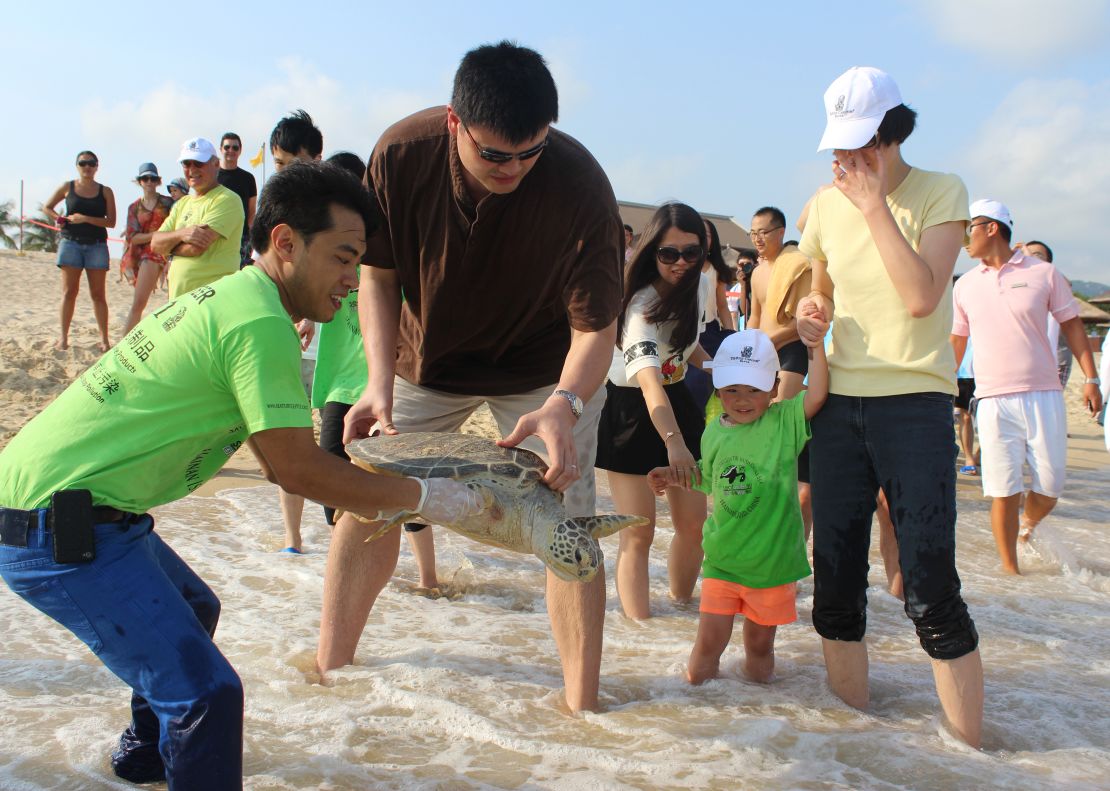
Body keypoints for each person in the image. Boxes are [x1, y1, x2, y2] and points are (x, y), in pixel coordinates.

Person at [0, 162, 485, 786]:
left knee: (196, 607)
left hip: (76, 509)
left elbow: (284, 457)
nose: (352, 279)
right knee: (209, 697)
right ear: (284, 243)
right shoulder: (258, 320)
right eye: (342, 257)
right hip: (54, 528)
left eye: (358, 261)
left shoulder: (239, 296)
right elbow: (296, 469)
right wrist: (432, 497)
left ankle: (143, 760)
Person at [319, 42, 624, 712]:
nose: (513, 168)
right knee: (370, 499)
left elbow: (597, 329)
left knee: (568, 520)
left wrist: (566, 405)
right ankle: (329, 670)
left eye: (530, 152)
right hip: (428, 359)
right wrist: (378, 381)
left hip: (547, 374)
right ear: (455, 123)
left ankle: (583, 707)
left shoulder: (580, 186)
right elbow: (379, 273)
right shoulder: (401, 153)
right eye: (493, 154)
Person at [795, 66, 984, 747]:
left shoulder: (942, 192)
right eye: (841, 148)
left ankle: (974, 758)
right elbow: (820, 291)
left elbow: (920, 297)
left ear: (894, 131)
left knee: (929, 584)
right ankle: (855, 754)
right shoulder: (823, 203)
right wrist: (811, 313)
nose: (849, 160)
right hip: (840, 405)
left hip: (916, 402)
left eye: (862, 145)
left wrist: (874, 206)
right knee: (835, 587)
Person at [650, 326, 828, 683]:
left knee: (760, 647)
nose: (742, 399)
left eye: (754, 390)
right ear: (718, 389)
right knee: (708, 643)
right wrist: (673, 476)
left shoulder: (784, 422)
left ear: (774, 388)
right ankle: (694, 702)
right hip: (723, 559)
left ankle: (754, 708)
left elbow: (819, 393)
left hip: (772, 563)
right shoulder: (714, 429)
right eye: (732, 389)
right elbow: (709, 477)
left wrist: (816, 347)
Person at [951, 199, 1102, 573]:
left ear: (992, 228)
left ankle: (1029, 525)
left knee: (1050, 486)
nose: (963, 238)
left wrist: (1092, 378)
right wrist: (942, 388)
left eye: (969, 227)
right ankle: (1011, 571)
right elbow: (957, 339)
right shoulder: (965, 285)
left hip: (1043, 393)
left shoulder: (1044, 274)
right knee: (1003, 490)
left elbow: (1071, 325)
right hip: (991, 398)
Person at [596, 202, 709, 619]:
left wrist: (727, 372)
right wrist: (675, 445)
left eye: (690, 252)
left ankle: (681, 609)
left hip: (676, 398)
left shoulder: (695, 288)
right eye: (668, 253)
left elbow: (687, 346)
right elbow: (647, 383)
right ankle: (639, 627)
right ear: (651, 252)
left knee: (695, 524)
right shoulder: (641, 307)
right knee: (639, 532)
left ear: (704, 250)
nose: (680, 262)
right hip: (632, 409)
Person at [748, 206, 815, 540]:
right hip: (763, 352)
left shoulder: (798, 264)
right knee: (756, 422)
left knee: (779, 426)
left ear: (780, 231)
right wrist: (746, 348)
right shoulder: (757, 273)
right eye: (753, 233)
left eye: (764, 232)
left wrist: (766, 342)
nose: (758, 239)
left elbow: (801, 321)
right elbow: (754, 318)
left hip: (791, 349)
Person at [41, 150, 116, 351]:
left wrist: (86, 218)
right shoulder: (68, 187)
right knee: (69, 293)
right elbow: (47, 207)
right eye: (83, 164)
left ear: (97, 166)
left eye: (91, 163)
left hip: (97, 245)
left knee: (98, 294)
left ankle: (104, 339)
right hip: (71, 242)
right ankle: (63, 338)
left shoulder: (105, 191)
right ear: (77, 166)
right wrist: (58, 218)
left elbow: (112, 221)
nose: (87, 167)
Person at [151, 137, 244, 298]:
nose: (192, 169)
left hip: (211, 301)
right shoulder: (182, 203)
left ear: (216, 164)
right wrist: (182, 234)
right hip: (180, 302)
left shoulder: (227, 199)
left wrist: (169, 250)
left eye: (199, 163)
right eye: (186, 163)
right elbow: (155, 243)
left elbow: (196, 248)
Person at [684, 218, 737, 412]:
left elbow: (722, 305)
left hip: (710, 333)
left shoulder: (717, 269)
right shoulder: (682, 265)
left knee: (702, 381)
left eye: (706, 235)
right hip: (685, 330)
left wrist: (731, 335)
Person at [121, 163, 174, 334]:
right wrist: (158, 235)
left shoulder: (168, 202)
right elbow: (133, 238)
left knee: (173, 303)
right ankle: (123, 345)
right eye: (145, 178)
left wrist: (163, 237)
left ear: (158, 181)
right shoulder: (134, 207)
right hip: (146, 254)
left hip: (169, 253)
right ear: (140, 181)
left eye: (152, 178)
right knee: (139, 303)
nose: (149, 182)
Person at [1020, 240, 1075, 389]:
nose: (1030, 257)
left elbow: (1066, 284)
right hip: (1028, 360)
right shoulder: (1020, 285)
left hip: (1057, 359)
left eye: (1037, 255)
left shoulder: (1054, 279)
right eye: (1027, 254)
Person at [216, 132, 258, 269]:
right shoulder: (211, 177)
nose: (231, 151)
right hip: (216, 236)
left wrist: (254, 239)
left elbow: (252, 212)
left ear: (240, 150)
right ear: (221, 149)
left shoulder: (248, 178)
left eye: (235, 148)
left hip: (242, 238)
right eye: (227, 147)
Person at [954, 331, 979, 475]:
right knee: (965, 416)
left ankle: (980, 453)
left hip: (987, 370)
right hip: (964, 371)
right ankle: (969, 458)